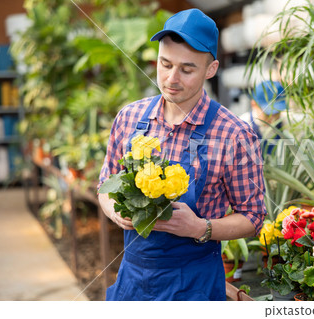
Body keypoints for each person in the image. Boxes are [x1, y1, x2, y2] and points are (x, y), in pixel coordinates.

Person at [98, 8, 267, 301]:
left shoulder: (233, 134)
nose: (171, 79)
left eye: (187, 69)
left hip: (195, 287)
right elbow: (104, 185)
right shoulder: (129, 118)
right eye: (165, 64)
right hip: (132, 284)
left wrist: (200, 227)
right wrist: (114, 210)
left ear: (210, 70)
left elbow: (253, 217)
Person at [240, 81, 287, 154]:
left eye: (277, 113)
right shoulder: (242, 126)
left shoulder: (287, 123)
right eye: (268, 114)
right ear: (254, 104)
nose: (273, 118)